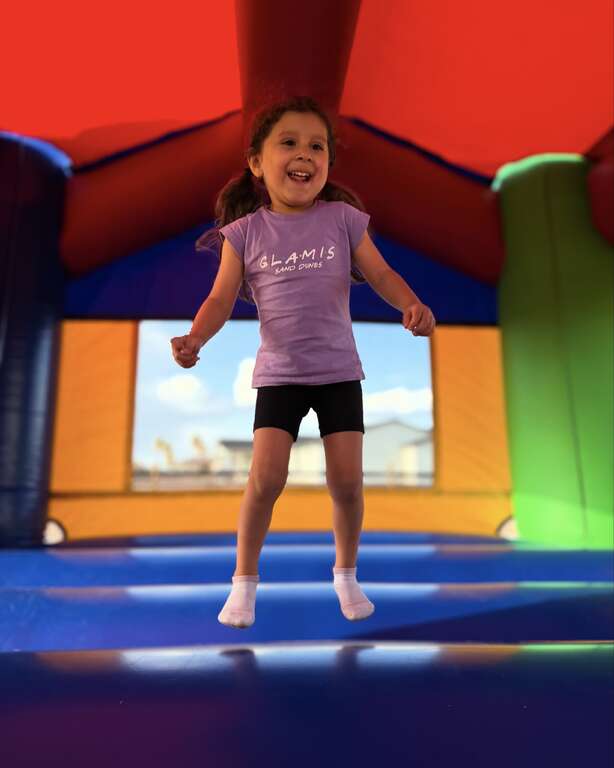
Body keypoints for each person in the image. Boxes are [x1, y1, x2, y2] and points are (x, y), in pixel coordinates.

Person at [170, 96, 436, 629]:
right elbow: (220, 298)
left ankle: (346, 574)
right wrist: (196, 337)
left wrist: (410, 303)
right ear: (256, 163)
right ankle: (243, 583)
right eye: (288, 143)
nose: (304, 154)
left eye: (317, 146)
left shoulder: (343, 220)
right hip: (280, 374)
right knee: (266, 479)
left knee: (348, 483)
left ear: (328, 164)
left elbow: (381, 274)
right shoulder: (244, 233)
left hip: (339, 372)